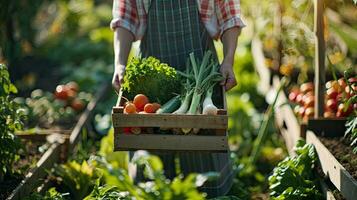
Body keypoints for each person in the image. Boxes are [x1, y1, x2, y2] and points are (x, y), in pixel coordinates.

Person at [111, 0, 245, 197]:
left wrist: (228, 60)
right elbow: (124, 20)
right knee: (151, 158)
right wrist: (120, 64)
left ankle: (207, 192)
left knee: (203, 154)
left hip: (200, 71)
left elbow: (229, 18)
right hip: (153, 77)